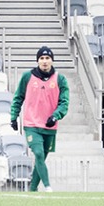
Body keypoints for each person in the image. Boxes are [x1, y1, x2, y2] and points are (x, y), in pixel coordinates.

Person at [10, 46, 68, 192]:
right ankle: (48, 186)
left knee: (41, 159)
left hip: (49, 127)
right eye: (41, 58)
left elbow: (64, 102)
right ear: (37, 60)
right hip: (32, 124)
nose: (44, 61)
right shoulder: (27, 77)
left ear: (52, 60)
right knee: (39, 153)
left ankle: (33, 189)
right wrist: (14, 116)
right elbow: (18, 97)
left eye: (47, 58)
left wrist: (55, 115)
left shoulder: (60, 79)